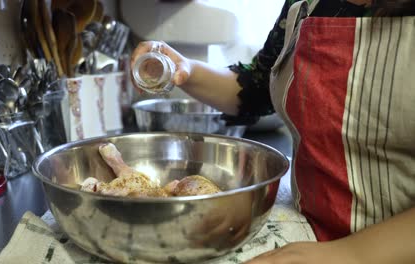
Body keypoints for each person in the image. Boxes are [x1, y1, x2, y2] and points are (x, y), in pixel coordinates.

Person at [131, 0, 415, 263]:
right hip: (312, 233)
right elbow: (255, 88)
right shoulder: (306, 4)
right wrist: (186, 69)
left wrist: (346, 255)